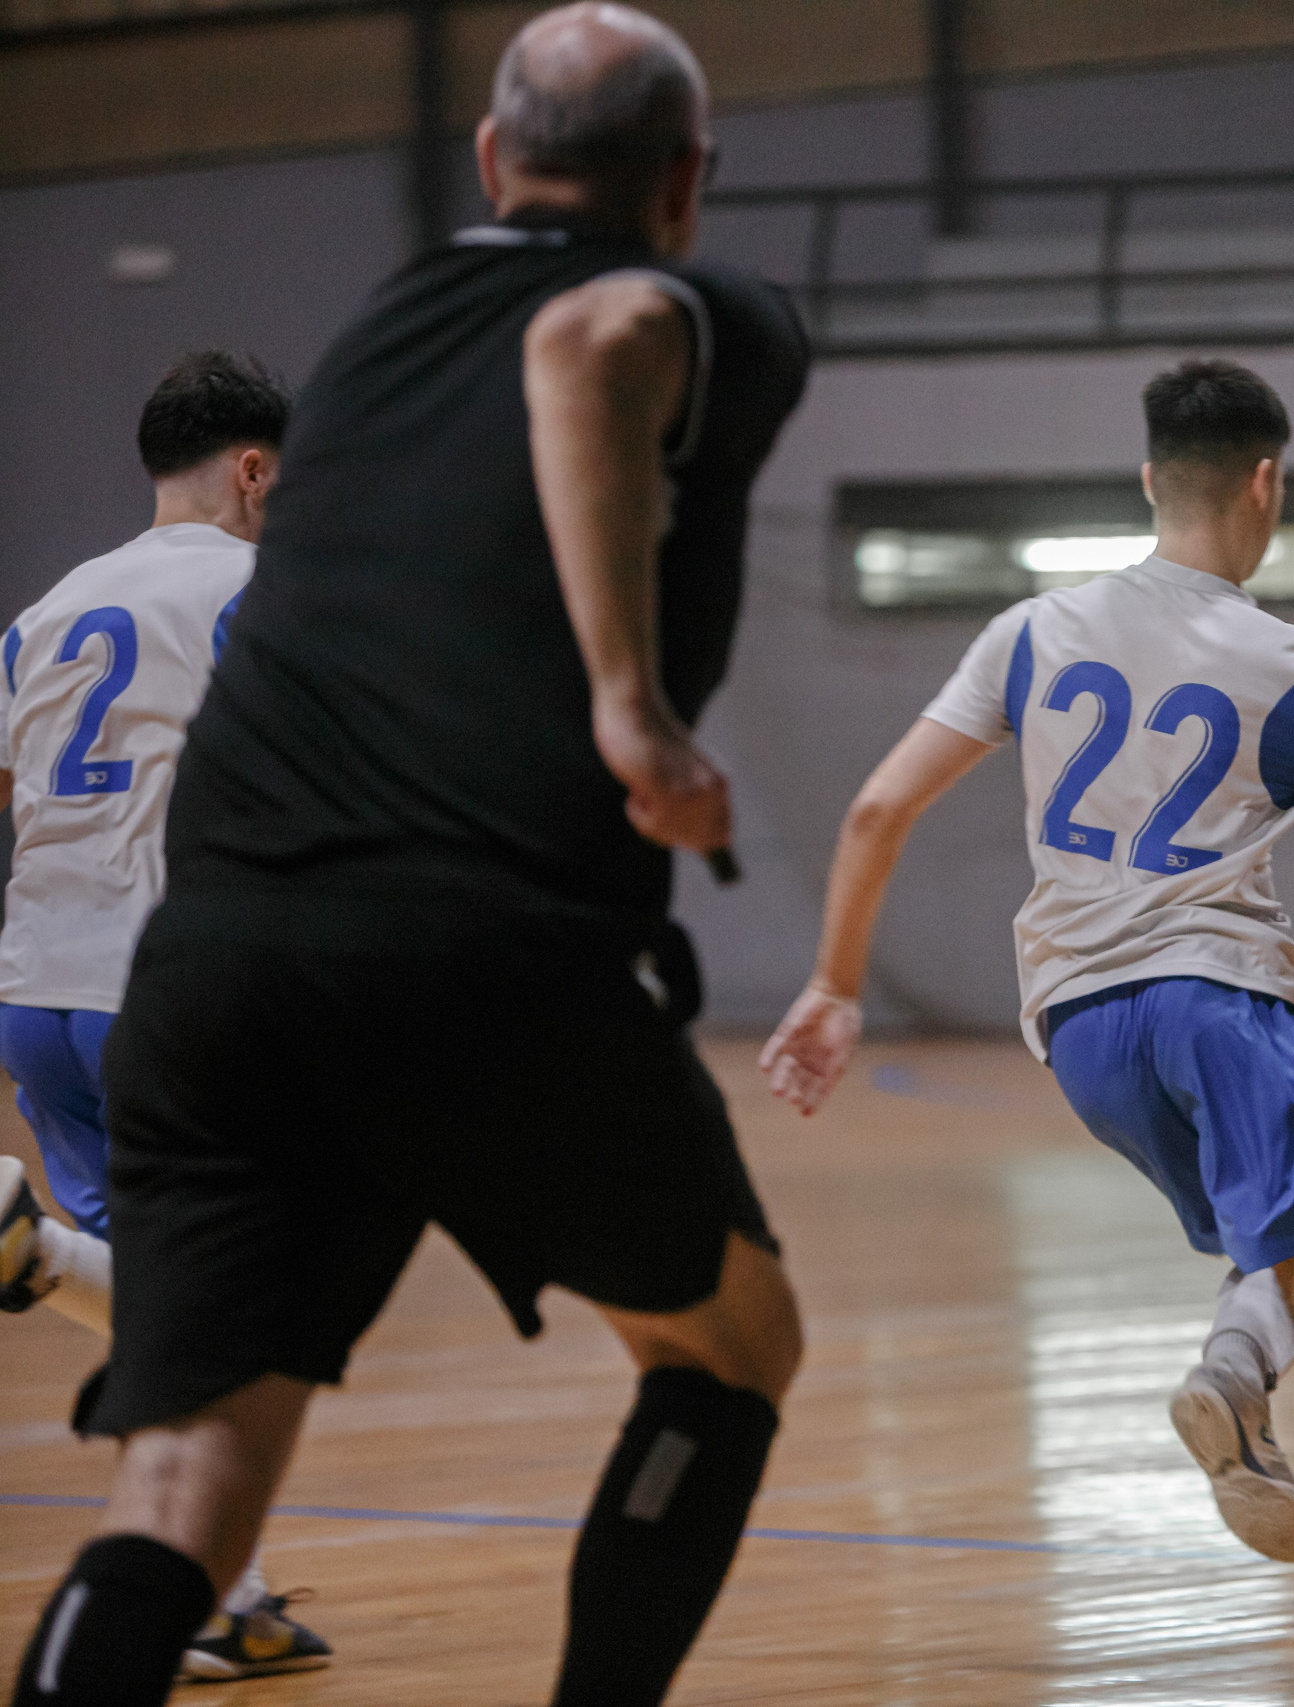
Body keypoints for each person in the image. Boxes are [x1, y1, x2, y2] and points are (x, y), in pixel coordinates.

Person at [8, 7, 809, 1704]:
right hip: (481, 942)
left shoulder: (369, 342)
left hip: (209, 965)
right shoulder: (702, 307)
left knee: (186, 1482)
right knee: (730, 1351)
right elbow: (591, 346)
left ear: (490, 161)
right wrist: (630, 706)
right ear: (686, 182)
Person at [757, 358, 1294, 1690]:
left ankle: (1234, 1378)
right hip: (1221, 998)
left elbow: (874, 812)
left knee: (1288, 1245)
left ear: (1148, 479)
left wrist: (836, 985)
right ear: (1267, 484)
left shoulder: (1031, 630)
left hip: (1077, 1030)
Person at [0, 351, 332, 1682]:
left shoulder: (40, 614)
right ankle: (21, 1247)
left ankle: (225, 1599)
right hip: (177, 988)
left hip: (39, 990)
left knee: (170, 1309)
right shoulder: (260, 587)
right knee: (251, 1303)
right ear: (254, 470)